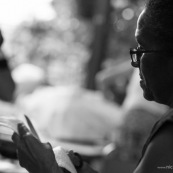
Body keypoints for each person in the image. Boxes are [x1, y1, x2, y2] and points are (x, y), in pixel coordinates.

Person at [11, 0, 173, 173]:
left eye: (143, 48)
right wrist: (81, 168)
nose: (135, 63)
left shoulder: (168, 137)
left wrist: (46, 168)